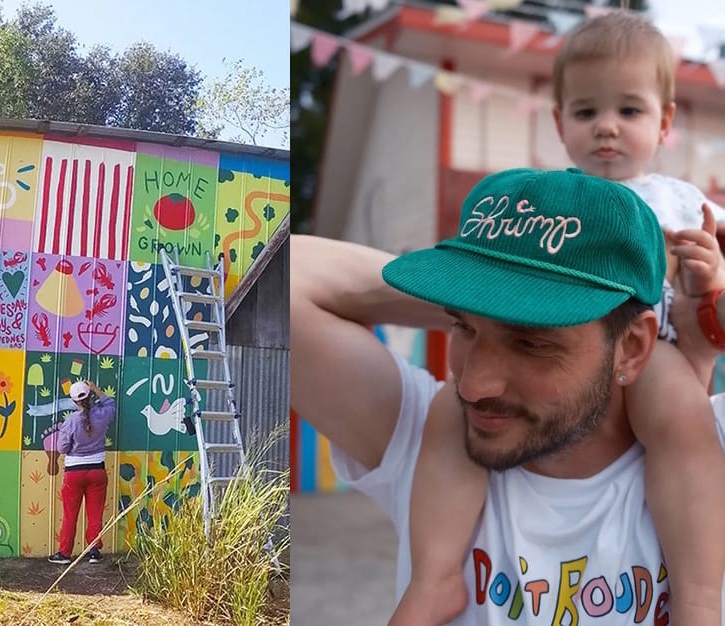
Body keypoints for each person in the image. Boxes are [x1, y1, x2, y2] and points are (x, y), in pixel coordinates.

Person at [395, 13, 725, 625]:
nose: (606, 126)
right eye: (585, 111)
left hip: (657, 349)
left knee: (683, 427)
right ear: (558, 122)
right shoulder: (543, 199)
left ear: (665, 122)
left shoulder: (685, 201)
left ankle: (701, 600)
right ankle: (435, 576)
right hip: (568, 338)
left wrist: (710, 280)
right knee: (451, 404)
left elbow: (701, 289)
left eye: (629, 111)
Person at [292, 167, 725, 625]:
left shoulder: (706, 450)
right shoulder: (433, 448)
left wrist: (699, 327)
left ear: (633, 347)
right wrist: (478, 291)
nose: (473, 386)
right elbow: (286, 276)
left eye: (531, 342)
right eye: (463, 326)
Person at [48, 379, 115, 566]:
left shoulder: (71, 421)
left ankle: (64, 553)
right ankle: (94, 551)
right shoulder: (102, 414)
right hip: (97, 471)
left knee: (70, 514)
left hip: (74, 473)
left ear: (74, 401)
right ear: (89, 395)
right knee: (95, 513)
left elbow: (62, 448)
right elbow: (111, 404)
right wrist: (97, 388)